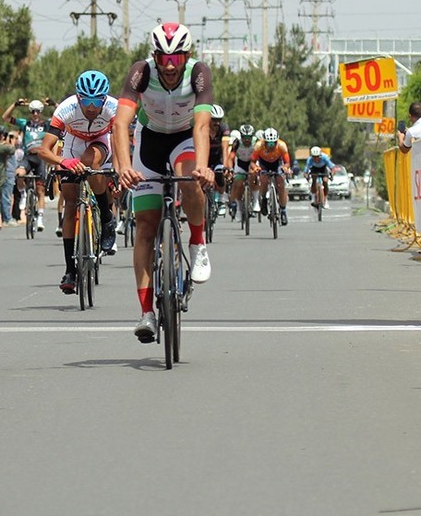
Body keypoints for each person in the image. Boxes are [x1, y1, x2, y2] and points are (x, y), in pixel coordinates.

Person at [113, 23, 215, 342]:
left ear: (187, 55)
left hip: (184, 137)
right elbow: (120, 123)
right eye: (164, 58)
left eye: (177, 58)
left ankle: (197, 242)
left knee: (190, 179)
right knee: (145, 226)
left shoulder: (198, 73)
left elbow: (202, 126)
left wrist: (202, 167)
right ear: (155, 56)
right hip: (150, 140)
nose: (170, 66)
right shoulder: (141, 72)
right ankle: (146, 313)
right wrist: (124, 167)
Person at [36, 70, 119, 293]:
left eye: (97, 101)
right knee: (70, 203)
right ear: (78, 97)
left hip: (100, 141)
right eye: (86, 101)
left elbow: (121, 140)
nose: (91, 107)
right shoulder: (66, 109)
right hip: (72, 144)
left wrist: (119, 169)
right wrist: (63, 162)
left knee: (91, 162)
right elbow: (44, 150)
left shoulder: (114, 108)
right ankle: (70, 270)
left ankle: (106, 215)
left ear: (104, 99)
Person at [2, 97, 53, 231]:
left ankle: (40, 219)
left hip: (41, 157)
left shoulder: (46, 124)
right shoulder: (25, 124)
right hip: (28, 156)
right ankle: (24, 194)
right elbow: (5, 117)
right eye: (33, 111)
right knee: (19, 174)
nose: (35, 114)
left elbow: (61, 117)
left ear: (40, 112)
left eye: (37, 111)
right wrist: (15, 104)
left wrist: (53, 104)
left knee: (40, 190)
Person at [251, 127, 291, 226]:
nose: (271, 146)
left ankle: (283, 211)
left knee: (281, 184)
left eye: (273, 143)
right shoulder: (258, 146)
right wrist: (255, 168)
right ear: (264, 142)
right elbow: (252, 162)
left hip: (277, 163)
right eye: (268, 143)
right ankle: (264, 199)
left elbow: (287, 162)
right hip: (264, 163)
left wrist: (285, 168)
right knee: (264, 180)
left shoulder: (282, 146)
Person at [227, 123, 256, 219]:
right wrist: (230, 169)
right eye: (244, 137)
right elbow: (231, 157)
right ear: (241, 136)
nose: (247, 140)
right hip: (240, 164)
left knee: (254, 177)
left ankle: (255, 201)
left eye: (249, 137)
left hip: (252, 164)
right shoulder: (237, 143)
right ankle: (236, 205)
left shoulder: (256, 142)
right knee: (238, 183)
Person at [303, 145, 334, 210]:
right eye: (314, 157)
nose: (316, 159)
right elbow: (306, 170)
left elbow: (332, 168)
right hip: (314, 169)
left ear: (320, 156)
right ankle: (314, 197)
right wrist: (306, 176)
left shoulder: (325, 157)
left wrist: (331, 175)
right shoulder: (310, 159)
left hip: (323, 168)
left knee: (325, 181)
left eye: (317, 157)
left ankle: (325, 199)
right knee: (314, 179)